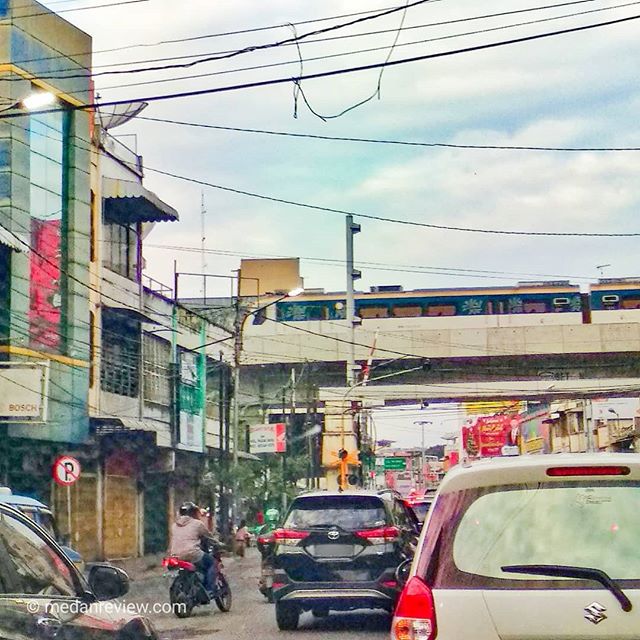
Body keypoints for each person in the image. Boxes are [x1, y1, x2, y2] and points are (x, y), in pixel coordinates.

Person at [169, 501, 218, 596]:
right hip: (192, 554)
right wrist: (219, 543)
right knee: (213, 563)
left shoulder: (174, 526)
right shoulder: (197, 524)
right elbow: (209, 537)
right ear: (192, 513)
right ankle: (209, 590)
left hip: (175, 556)